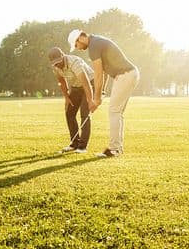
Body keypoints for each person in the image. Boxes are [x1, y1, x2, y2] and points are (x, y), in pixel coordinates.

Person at [68, 29, 139, 157]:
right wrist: (102, 92)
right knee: (117, 112)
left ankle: (114, 149)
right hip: (128, 74)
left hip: (125, 75)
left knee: (114, 111)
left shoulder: (94, 46)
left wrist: (96, 99)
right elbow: (105, 72)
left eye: (76, 45)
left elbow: (98, 74)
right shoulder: (96, 42)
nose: (77, 48)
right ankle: (117, 148)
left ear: (81, 38)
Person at [47, 47, 96, 154]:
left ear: (63, 55)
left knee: (84, 114)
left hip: (90, 83)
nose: (58, 65)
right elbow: (61, 81)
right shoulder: (55, 67)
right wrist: (66, 97)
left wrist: (91, 100)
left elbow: (86, 83)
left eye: (59, 61)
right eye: (55, 63)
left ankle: (82, 147)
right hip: (76, 87)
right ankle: (74, 143)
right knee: (69, 113)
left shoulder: (74, 62)